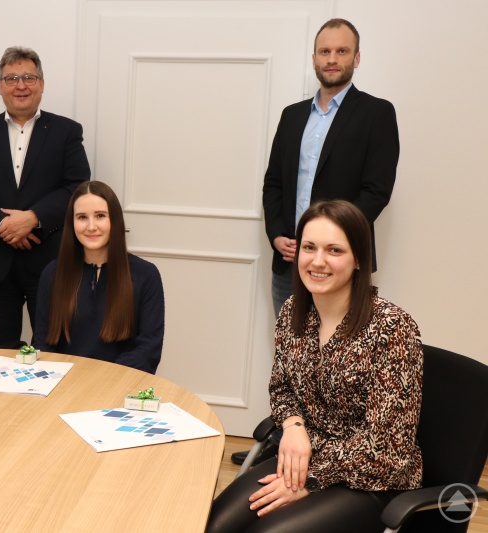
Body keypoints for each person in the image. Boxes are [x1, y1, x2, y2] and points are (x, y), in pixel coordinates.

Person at [205, 200, 422, 533]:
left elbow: (386, 448)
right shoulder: (294, 311)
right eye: (309, 247)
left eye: (334, 250)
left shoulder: (392, 328)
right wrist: (292, 427)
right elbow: (281, 388)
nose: (318, 261)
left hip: (370, 480)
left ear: (359, 259)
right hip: (301, 460)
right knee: (217, 524)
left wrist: (313, 478)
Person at [0, 46, 90, 349]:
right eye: (11, 79)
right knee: (1, 352)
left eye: (29, 77)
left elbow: (78, 186)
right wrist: (3, 224)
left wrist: (33, 219)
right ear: (0, 86)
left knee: (55, 349)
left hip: (51, 260)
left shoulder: (66, 131)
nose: (21, 86)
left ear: (41, 83)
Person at [263, 18, 400, 319]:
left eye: (342, 51)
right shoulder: (292, 116)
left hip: (343, 264)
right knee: (291, 355)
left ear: (357, 58)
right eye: (325, 52)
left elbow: (377, 191)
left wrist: (333, 241)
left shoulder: (376, 113)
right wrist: (275, 234)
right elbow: (274, 183)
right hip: (289, 262)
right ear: (314, 59)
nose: (333, 59)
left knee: (340, 356)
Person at [33, 181, 165, 374]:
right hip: (65, 386)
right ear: (71, 223)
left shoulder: (146, 275)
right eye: (82, 217)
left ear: (115, 221)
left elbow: (148, 349)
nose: (91, 226)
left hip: (121, 386)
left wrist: (99, 379)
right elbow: (42, 344)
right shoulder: (52, 274)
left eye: (100, 216)